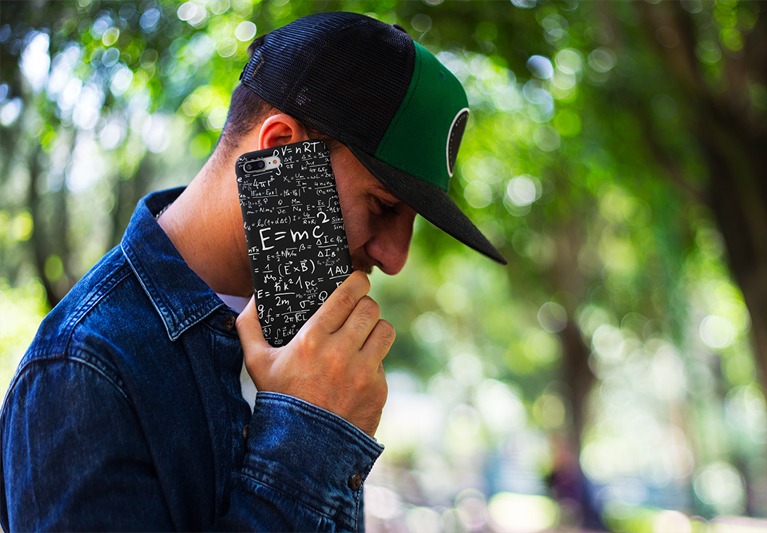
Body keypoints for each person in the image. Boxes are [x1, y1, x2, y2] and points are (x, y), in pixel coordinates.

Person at [0, 11, 506, 531]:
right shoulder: (82, 368)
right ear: (282, 148)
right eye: (382, 205)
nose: (395, 258)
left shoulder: (309, 337)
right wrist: (309, 432)